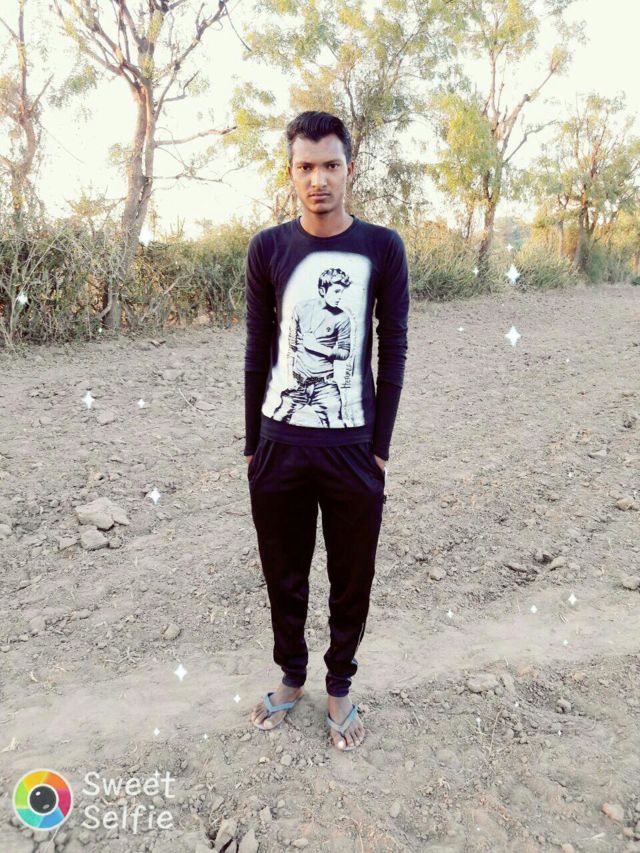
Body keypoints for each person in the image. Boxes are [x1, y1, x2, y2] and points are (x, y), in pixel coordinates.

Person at [244, 110, 410, 751]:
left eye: (331, 165)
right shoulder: (268, 249)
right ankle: (291, 676)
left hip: (351, 449)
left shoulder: (382, 248)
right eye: (306, 167)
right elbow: (258, 349)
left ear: (349, 169)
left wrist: (379, 449)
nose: (319, 179)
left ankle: (339, 683)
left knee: (351, 576)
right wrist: (253, 445)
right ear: (291, 173)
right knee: (283, 574)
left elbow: (393, 348)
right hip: (280, 444)